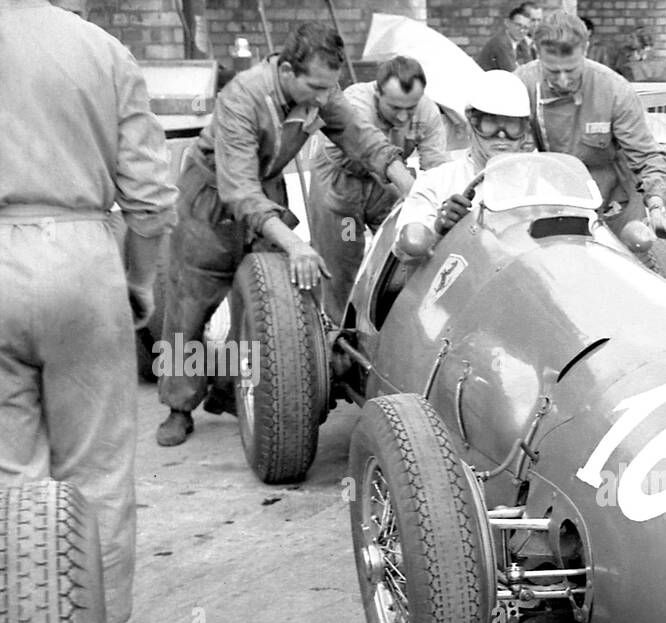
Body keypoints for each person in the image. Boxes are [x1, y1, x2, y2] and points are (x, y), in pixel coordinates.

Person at [0, 0, 177, 623]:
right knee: (96, 464)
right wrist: (139, 281)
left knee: (8, 469)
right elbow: (152, 199)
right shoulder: (102, 51)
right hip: (81, 255)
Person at [155, 22, 415, 447]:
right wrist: (296, 244)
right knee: (189, 308)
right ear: (288, 71)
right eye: (315, 87)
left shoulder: (320, 90)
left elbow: (360, 138)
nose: (323, 97)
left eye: (330, 87)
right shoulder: (242, 97)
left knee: (264, 301)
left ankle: (232, 385)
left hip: (266, 193)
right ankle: (179, 404)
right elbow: (238, 190)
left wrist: (410, 187)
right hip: (212, 201)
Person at [306, 56, 449, 323]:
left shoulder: (427, 111)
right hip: (343, 194)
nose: (404, 116)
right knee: (345, 256)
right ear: (378, 93)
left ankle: (393, 324)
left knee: (401, 251)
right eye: (395, 107)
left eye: (411, 107)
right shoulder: (356, 103)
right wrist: (408, 185)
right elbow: (366, 153)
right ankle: (340, 330)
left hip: (387, 191)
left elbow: (437, 167)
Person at [515, 11, 666, 240]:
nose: (562, 80)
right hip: (547, 202)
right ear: (537, 52)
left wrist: (656, 204)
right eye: (552, 71)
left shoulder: (614, 90)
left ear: (586, 49)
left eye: (571, 70)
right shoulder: (520, 85)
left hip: (610, 202)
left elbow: (646, 157)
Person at [395, 70, 532, 251]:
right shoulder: (436, 182)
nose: (501, 135)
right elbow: (405, 251)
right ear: (471, 124)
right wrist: (437, 229)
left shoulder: (541, 184)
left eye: (512, 125)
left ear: (523, 132)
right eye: (490, 122)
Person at [479, 6, 533, 73]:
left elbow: (530, 66)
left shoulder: (522, 42)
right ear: (508, 23)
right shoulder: (501, 42)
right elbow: (513, 73)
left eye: (526, 28)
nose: (522, 30)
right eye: (518, 25)